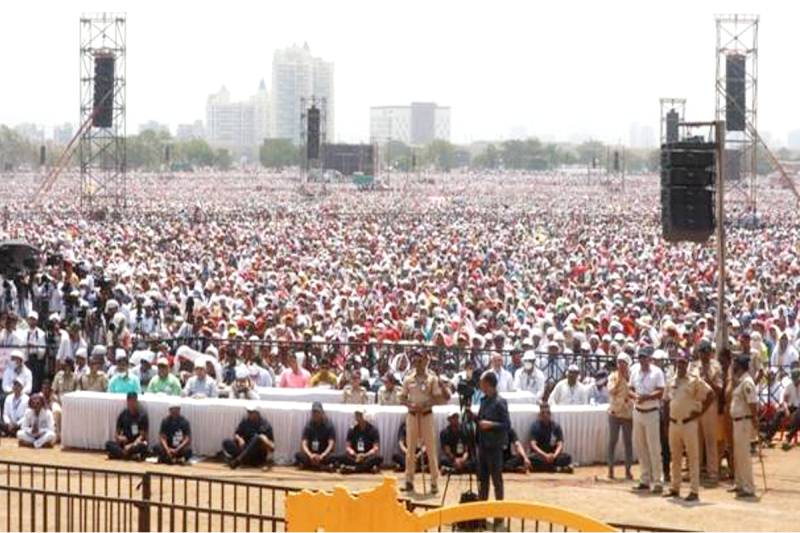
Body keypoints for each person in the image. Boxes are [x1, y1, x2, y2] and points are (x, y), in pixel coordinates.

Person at [663, 352, 714, 502]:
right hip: (674, 422)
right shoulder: (671, 381)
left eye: (683, 362)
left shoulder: (694, 381)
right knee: (675, 456)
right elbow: (666, 401)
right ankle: (675, 487)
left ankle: (694, 490)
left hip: (688, 423)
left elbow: (710, 395)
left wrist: (699, 414)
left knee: (692, 457)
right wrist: (666, 423)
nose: (680, 365)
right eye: (678, 362)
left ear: (687, 364)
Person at [399, 351, 447, 493]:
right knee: (411, 450)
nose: (418, 364)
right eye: (416, 362)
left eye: (420, 361)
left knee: (431, 449)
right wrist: (411, 405)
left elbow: (438, 398)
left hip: (426, 415)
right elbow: (402, 398)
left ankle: (434, 482)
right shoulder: (408, 379)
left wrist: (427, 404)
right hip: (413, 415)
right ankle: (409, 480)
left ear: (425, 362)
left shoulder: (431, 379)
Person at [476, 370, 510, 527]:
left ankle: (499, 515)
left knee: (497, 481)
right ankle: (481, 513)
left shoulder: (500, 402)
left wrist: (490, 425)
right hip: (483, 446)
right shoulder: (484, 401)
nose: (480, 386)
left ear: (488, 384)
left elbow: (506, 425)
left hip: (494, 447)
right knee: (483, 482)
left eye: (482, 383)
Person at [630, 345, 666, 494]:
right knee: (640, 447)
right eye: (640, 357)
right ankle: (645, 479)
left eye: (644, 357)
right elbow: (630, 388)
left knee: (654, 448)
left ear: (650, 358)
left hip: (651, 411)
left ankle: (658, 481)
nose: (642, 360)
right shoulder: (635, 371)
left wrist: (646, 397)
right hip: (638, 411)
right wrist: (635, 397)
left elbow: (661, 391)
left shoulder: (657, 372)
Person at [692, 339, 722, 485]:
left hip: (710, 404)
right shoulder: (694, 367)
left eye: (706, 352)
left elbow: (718, 388)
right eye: (702, 352)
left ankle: (712, 473)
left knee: (710, 440)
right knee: (696, 440)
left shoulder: (715, 366)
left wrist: (707, 378)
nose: (704, 355)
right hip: (697, 404)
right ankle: (696, 471)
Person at [728, 356, 758, 499]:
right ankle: (739, 483)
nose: (733, 367)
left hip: (744, 422)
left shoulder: (747, 382)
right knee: (738, 454)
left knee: (744, 455)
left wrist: (755, 423)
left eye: (735, 365)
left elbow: (753, 404)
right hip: (737, 422)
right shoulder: (740, 381)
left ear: (740, 366)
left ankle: (748, 487)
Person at [607, 353, 634, 480]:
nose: (621, 365)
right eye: (619, 362)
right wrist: (619, 379)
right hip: (614, 412)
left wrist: (627, 379)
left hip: (627, 413)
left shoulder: (632, 377)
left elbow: (634, 391)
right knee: (612, 441)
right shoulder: (613, 377)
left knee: (628, 442)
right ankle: (610, 470)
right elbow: (611, 391)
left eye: (623, 362)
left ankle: (628, 470)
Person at [527, 403, 573, 473]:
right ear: (540, 415)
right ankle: (557, 468)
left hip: (553, 456)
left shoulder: (556, 426)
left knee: (567, 457)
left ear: (550, 414)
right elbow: (533, 445)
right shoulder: (535, 426)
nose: (545, 415)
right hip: (541, 455)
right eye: (543, 413)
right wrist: (545, 455)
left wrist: (554, 455)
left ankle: (550, 468)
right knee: (531, 459)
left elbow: (560, 444)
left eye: (547, 413)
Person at [105, 392, 149, 461]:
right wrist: (120, 438)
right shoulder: (123, 414)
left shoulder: (142, 415)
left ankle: (119, 455)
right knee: (108, 444)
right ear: (127, 401)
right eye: (129, 401)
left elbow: (142, 436)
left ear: (136, 401)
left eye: (133, 401)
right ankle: (130, 456)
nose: (131, 404)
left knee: (143, 446)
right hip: (125, 444)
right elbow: (117, 433)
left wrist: (131, 446)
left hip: (135, 443)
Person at [337, 408, 383, 474]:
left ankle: (353, 469)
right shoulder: (352, 429)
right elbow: (348, 447)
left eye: (360, 415)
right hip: (355, 457)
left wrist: (364, 455)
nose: (358, 417)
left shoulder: (373, 430)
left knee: (379, 458)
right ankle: (367, 468)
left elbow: (375, 448)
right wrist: (355, 454)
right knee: (341, 457)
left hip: (367, 456)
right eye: (356, 415)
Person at [295, 401, 336, 471]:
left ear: (322, 413)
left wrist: (322, 455)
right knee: (298, 455)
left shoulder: (329, 425)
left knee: (333, 457)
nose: (315, 414)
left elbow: (331, 444)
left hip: (323, 454)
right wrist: (310, 455)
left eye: (317, 412)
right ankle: (321, 467)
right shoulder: (309, 425)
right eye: (314, 412)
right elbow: (304, 443)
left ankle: (311, 465)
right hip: (311, 454)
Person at [51, 356, 80, 437]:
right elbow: (53, 392)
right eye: (63, 365)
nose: (63, 367)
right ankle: (58, 434)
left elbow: (77, 393)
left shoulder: (75, 377)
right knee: (57, 411)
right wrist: (57, 399)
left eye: (66, 365)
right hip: (59, 401)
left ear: (70, 366)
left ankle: (70, 435)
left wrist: (69, 401)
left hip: (71, 402)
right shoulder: (58, 375)